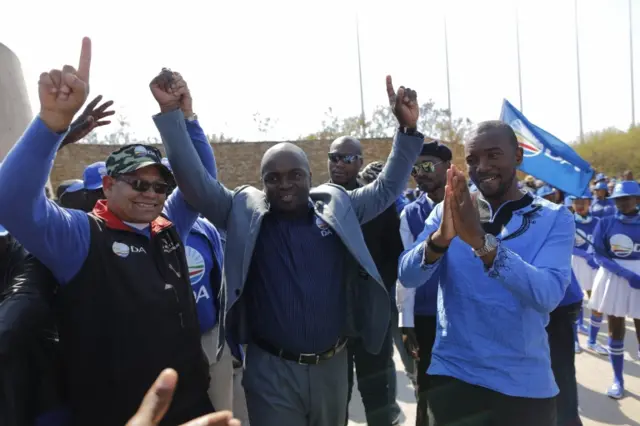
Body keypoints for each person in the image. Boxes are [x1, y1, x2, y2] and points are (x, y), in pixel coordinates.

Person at [155, 75, 424, 426]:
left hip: (333, 366)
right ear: (262, 181)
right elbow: (195, 183)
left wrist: (406, 131)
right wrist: (173, 115)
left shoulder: (339, 207)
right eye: (273, 178)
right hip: (272, 370)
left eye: (294, 175)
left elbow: (387, 187)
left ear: (310, 176)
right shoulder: (243, 213)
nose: (284, 185)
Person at [0, 38, 215, 425]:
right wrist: (50, 125)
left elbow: (201, 185)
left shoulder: (167, 229)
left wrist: (183, 119)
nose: (151, 195)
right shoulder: (80, 236)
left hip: (189, 407)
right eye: (138, 183)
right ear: (109, 184)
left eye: (160, 187)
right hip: (117, 414)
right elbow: (12, 202)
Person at [398, 121, 574, 426]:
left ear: (518, 156)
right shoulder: (446, 210)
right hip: (453, 375)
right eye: (473, 159)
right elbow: (408, 275)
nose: (482, 167)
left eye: (494, 155)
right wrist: (439, 240)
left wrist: (482, 244)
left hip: (523, 385)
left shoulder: (553, 218)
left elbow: (547, 295)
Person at [327, 137, 405, 426]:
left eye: (346, 158)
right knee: (337, 395)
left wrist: (375, 293)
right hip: (334, 320)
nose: (338, 163)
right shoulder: (320, 202)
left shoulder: (377, 203)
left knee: (377, 394)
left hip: (371, 316)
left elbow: (393, 255)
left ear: (360, 162)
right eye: (333, 157)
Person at [396, 141, 451, 426]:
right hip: (428, 317)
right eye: (415, 168)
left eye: (427, 166)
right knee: (427, 390)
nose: (420, 173)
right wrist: (407, 321)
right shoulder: (410, 214)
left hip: (465, 315)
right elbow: (405, 273)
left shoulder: (474, 207)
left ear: (449, 168)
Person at [588, 180, 640, 399]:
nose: (621, 203)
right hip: (614, 277)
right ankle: (618, 380)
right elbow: (598, 254)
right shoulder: (606, 222)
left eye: (626, 199)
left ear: (637, 199)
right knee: (615, 329)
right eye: (618, 199)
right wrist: (625, 274)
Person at [571, 190, 608, 355]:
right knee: (575, 301)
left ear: (589, 203)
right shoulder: (568, 222)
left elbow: (604, 244)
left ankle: (592, 341)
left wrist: (597, 257)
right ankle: (575, 340)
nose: (580, 205)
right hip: (576, 264)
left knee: (597, 302)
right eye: (576, 202)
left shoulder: (598, 222)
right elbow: (566, 246)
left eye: (583, 202)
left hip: (595, 265)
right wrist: (584, 254)